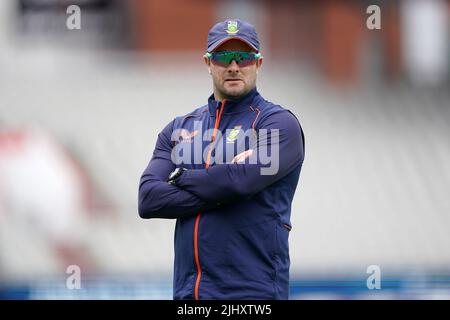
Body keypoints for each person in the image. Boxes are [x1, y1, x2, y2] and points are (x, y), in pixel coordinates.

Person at [138, 19, 305, 300]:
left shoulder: (276, 124)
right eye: (223, 56)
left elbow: (238, 183)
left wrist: (182, 177)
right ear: (207, 62)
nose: (233, 66)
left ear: (259, 63)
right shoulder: (180, 129)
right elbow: (148, 199)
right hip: (190, 297)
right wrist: (226, 182)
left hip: (255, 295)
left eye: (244, 57)